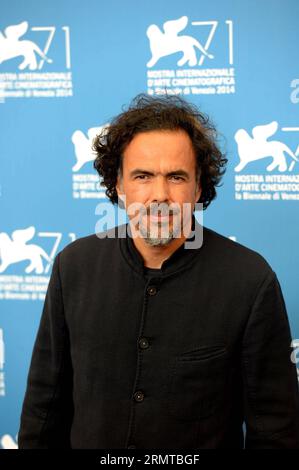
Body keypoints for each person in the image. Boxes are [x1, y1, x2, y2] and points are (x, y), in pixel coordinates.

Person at [18, 94, 299, 449]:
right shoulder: (73, 266)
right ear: (118, 184)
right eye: (143, 176)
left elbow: (275, 431)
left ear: (199, 187)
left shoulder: (250, 280)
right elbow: (44, 410)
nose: (159, 194)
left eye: (176, 177)